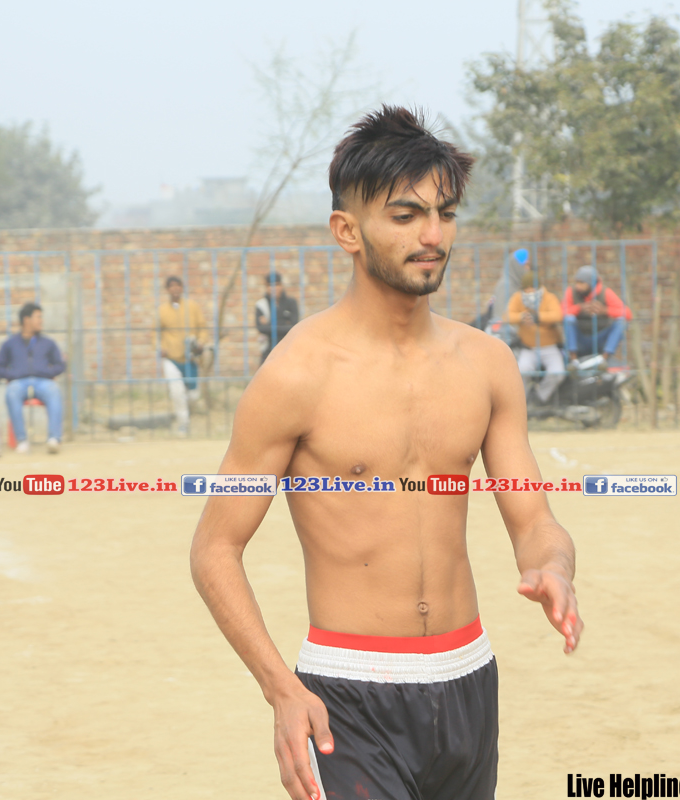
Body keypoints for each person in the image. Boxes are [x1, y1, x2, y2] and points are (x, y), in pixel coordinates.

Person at [190, 106, 581, 800]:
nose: (433, 236)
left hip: (469, 680)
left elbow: (534, 522)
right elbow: (215, 549)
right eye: (405, 216)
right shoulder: (297, 374)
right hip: (349, 696)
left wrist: (553, 567)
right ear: (347, 230)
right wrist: (281, 689)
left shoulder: (487, 364)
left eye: (444, 214)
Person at [0, 302, 66, 454]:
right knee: (11, 392)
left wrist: (48, 372)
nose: (41, 321)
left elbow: (60, 365)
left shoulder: (48, 343)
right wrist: (12, 375)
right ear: (26, 320)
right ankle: (22, 441)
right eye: (38, 317)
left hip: (43, 381)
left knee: (54, 390)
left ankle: (54, 439)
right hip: (19, 382)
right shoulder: (10, 344)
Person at [157, 276, 210, 435]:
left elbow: (202, 327)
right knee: (176, 391)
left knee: (193, 394)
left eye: (178, 285)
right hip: (171, 359)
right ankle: (183, 424)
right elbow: (155, 333)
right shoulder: (162, 310)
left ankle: (186, 412)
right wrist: (160, 347)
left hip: (190, 358)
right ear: (167, 289)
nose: (175, 289)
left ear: (182, 288)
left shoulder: (192, 306)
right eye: (171, 286)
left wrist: (201, 342)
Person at [508, 269, 566, 405]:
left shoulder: (549, 297)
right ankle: (521, 402)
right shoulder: (517, 298)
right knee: (522, 372)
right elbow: (507, 316)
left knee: (558, 373)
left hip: (549, 347)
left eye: (532, 287)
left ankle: (539, 397)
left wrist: (538, 317)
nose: (530, 291)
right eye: (526, 288)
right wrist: (522, 317)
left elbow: (557, 315)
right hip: (528, 348)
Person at [562, 265, 632, 362]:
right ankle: (573, 359)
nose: (577, 286)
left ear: (591, 283)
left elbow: (628, 313)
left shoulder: (605, 293)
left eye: (581, 283)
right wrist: (579, 308)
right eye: (576, 282)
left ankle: (604, 360)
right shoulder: (571, 291)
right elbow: (561, 313)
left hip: (600, 338)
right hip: (580, 339)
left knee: (621, 322)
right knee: (569, 319)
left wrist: (604, 311)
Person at [255, 272, 300, 364]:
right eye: (270, 285)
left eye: (276, 285)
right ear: (266, 287)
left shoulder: (291, 302)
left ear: (281, 286)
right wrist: (285, 323)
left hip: (288, 347)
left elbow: (294, 326)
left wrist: (269, 324)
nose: (273, 288)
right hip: (268, 349)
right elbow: (260, 328)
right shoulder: (261, 304)